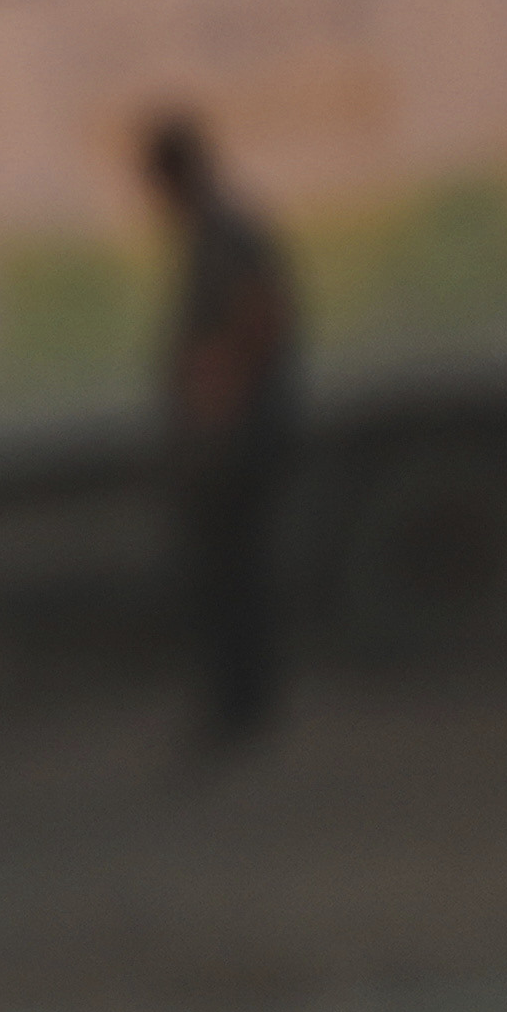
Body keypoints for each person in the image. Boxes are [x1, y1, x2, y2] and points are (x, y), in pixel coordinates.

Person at [147, 109, 298, 758]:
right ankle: (241, 706)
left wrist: (216, 403)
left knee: (227, 579)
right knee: (231, 577)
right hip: (228, 441)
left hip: (232, 445)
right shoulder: (217, 232)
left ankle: (238, 710)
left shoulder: (222, 236)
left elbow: (259, 319)